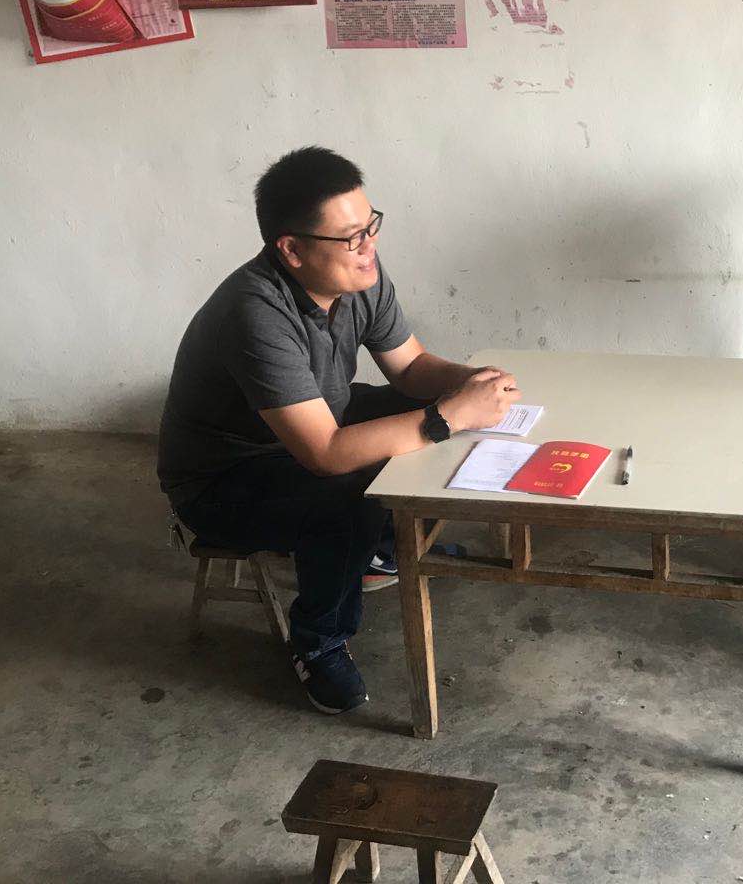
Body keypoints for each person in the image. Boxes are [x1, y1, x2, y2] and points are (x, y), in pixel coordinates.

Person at [158, 146, 517, 715]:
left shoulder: (359, 274)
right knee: (351, 495)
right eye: (351, 237)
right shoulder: (255, 313)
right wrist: (450, 415)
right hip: (225, 478)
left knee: (419, 412)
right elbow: (325, 454)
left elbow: (411, 368)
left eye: (371, 226)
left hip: (314, 423)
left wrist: (471, 382)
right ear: (292, 249)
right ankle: (319, 639)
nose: (369, 246)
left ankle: (380, 549)